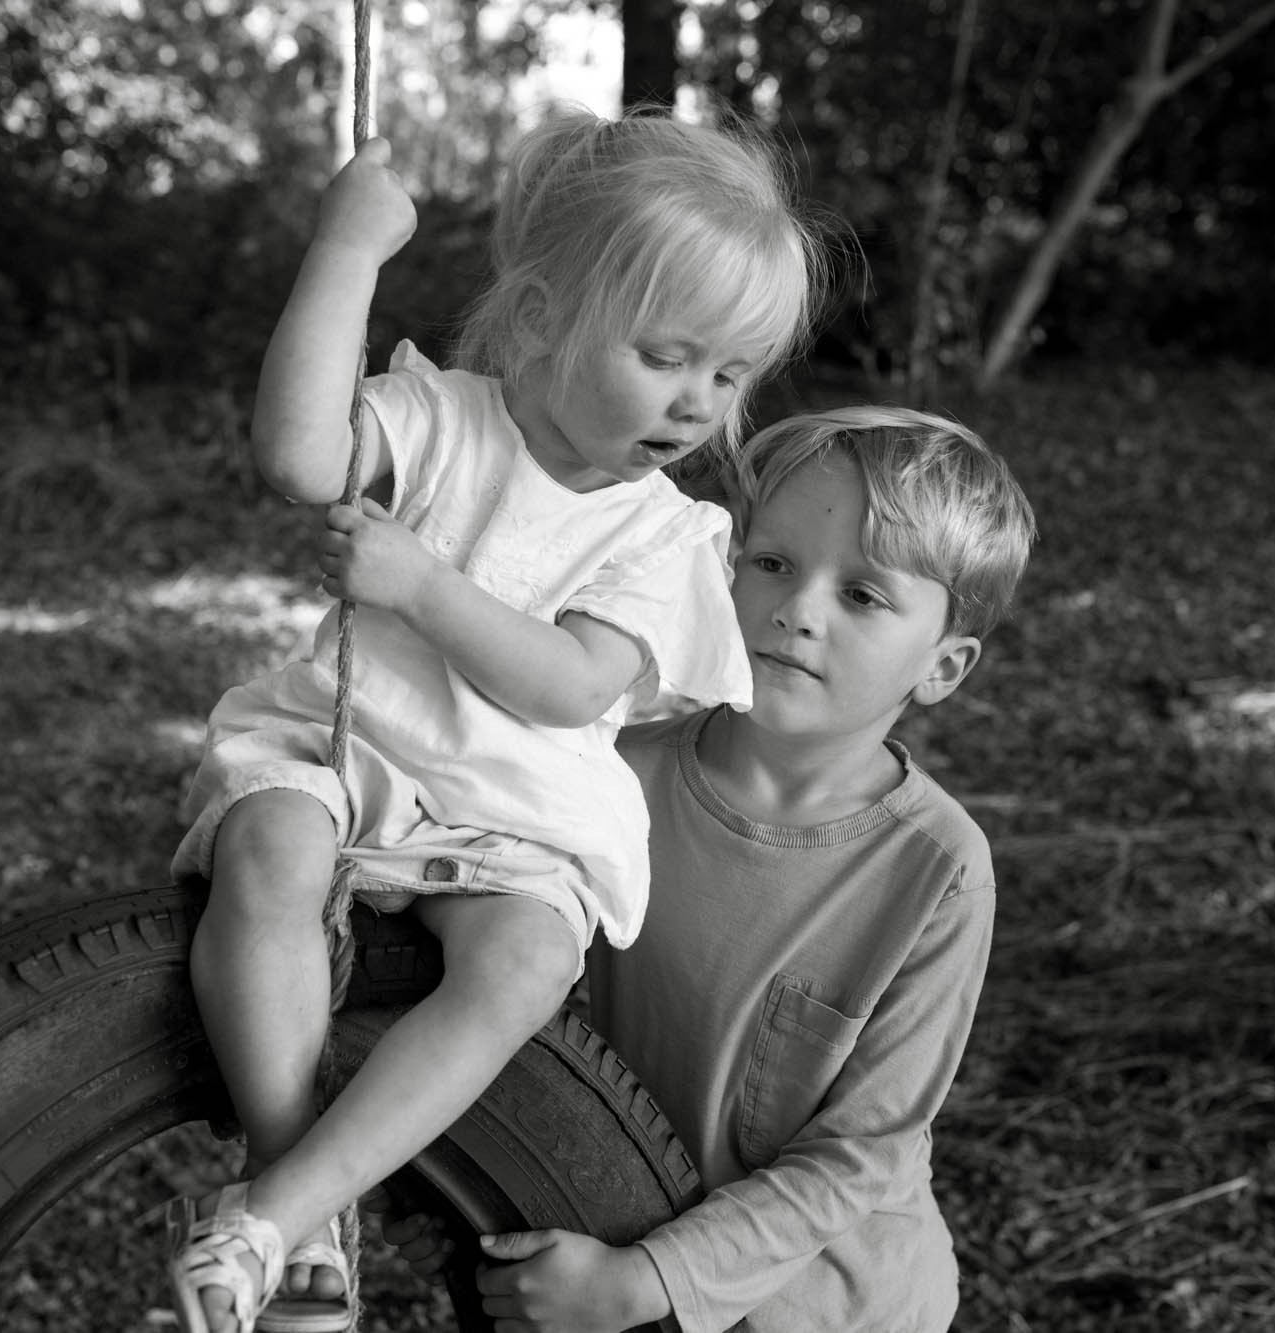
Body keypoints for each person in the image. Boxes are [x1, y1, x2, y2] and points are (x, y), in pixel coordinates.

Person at [164, 103, 828, 1333]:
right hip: (354, 749)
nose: (695, 403)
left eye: (728, 376)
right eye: (666, 355)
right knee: (269, 849)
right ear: (538, 320)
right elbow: (300, 455)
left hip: (514, 806)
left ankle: (287, 1201)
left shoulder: (668, 532)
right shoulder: (441, 420)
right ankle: (294, 1186)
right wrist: (346, 255)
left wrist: (422, 584)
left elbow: (572, 686)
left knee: (524, 959)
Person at [388, 404, 1037, 1331]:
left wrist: (648, 1281)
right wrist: (440, 1178)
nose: (796, 610)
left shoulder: (936, 868)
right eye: (770, 563)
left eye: (862, 595)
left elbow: (858, 1154)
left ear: (943, 665)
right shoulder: (605, 766)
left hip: (818, 1306)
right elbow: (490, 994)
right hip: (578, 1249)